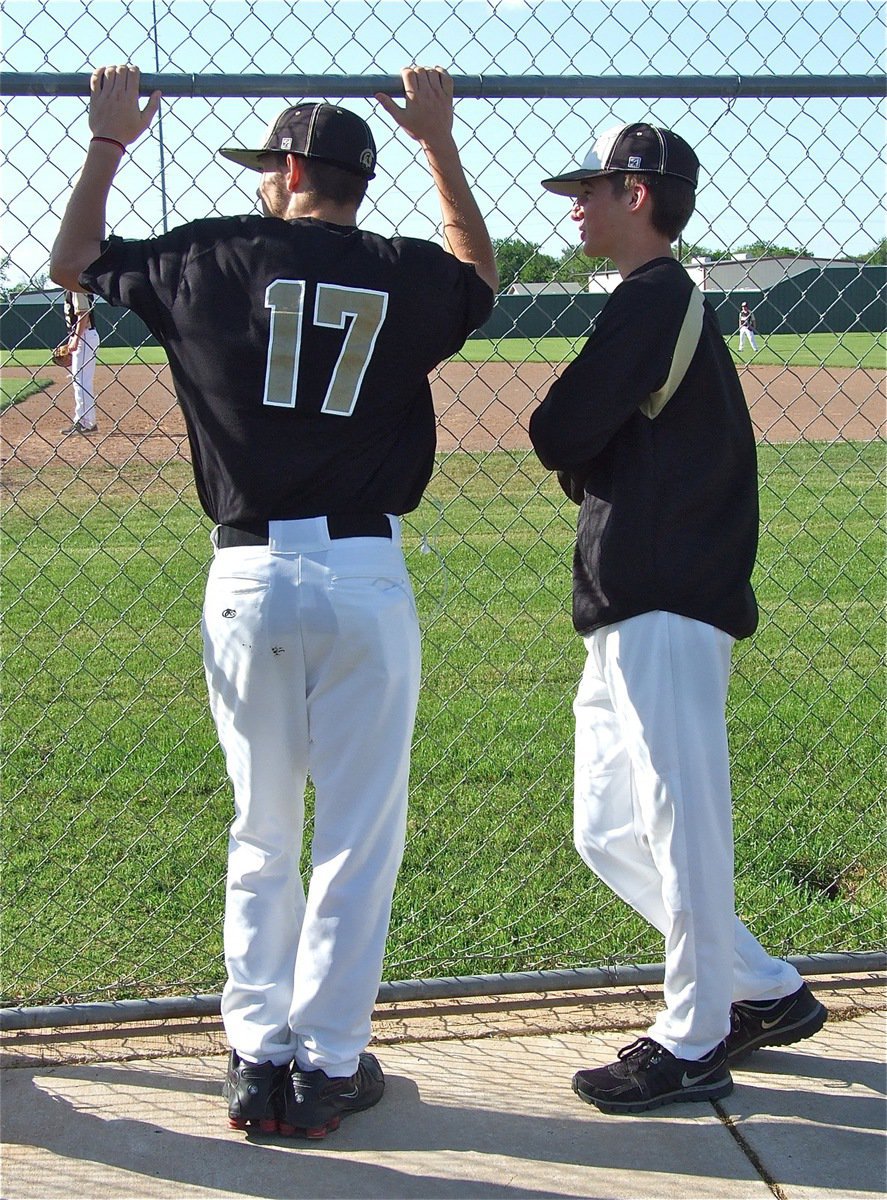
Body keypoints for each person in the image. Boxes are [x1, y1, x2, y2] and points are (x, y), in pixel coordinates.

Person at [50, 62, 496, 1137]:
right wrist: (438, 140)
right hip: (362, 576)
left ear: (292, 170)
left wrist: (109, 142)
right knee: (355, 834)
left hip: (246, 574)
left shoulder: (207, 254)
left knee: (262, 829)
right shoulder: (397, 271)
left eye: (267, 167)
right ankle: (329, 1065)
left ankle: (256, 1058)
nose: (260, 182)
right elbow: (478, 276)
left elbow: (70, 262)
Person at [529, 122, 826, 1116]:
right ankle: (765, 989)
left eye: (592, 190)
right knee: (605, 826)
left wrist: (580, 448)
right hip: (629, 599)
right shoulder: (649, 303)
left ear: (638, 197)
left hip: (665, 596)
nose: (575, 206)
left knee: (676, 818)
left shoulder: (652, 298)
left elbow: (555, 429)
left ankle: (694, 1035)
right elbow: (577, 437)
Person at [61, 288, 100, 434]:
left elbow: (84, 314)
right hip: (83, 336)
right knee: (80, 380)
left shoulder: (75, 285)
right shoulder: (73, 285)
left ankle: (85, 422)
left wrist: (76, 339)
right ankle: (87, 421)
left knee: (81, 381)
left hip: (85, 336)